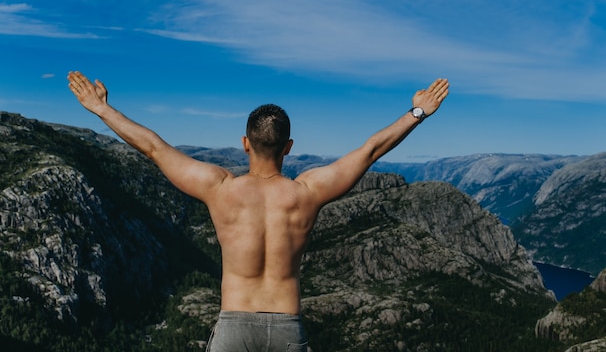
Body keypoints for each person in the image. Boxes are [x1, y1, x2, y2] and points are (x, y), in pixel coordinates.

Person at [67, 71, 449, 352]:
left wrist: (101, 108)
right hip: (286, 328)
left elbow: (153, 147)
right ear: (289, 147)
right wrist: (417, 112)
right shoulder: (308, 192)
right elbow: (371, 150)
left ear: (245, 144)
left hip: (234, 326)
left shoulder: (219, 189)